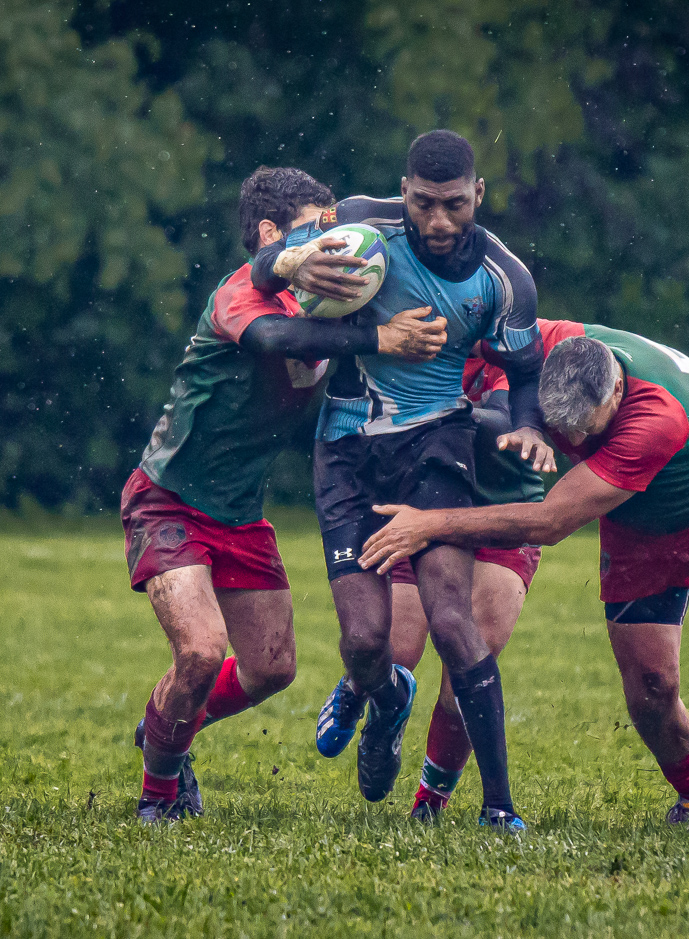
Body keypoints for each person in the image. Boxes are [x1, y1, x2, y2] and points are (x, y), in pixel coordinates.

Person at [359, 321, 689, 827]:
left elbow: (549, 522)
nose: (574, 438)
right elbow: (468, 325)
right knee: (650, 687)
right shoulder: (544, 339)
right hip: (636, 518)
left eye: (586, 425)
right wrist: (384, 332)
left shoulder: (656, 419)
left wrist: (428, 524)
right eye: (563, 425)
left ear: (618, 391)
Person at [123, 167, 446, 823]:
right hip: (169, 501)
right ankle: (161, 789)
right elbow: (275, 338)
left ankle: (168, 725)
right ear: (273, 236)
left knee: (272, 668)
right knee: (202, 653)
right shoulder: (240, 292)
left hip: (241, 515)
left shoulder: (333, 304)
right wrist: (379, 337)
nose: (338, 246)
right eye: (317, 232)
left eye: (338, 231)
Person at [257, 130, 552, 831]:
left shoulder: (506, 281)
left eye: (454, 204)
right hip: (345, 447)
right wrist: (295, 257)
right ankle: (386, 699)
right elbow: (264, 267)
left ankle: (500, 806)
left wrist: (530, 425)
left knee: (453, 619)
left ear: (478, 194)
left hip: (435, 442)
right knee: (365, 643)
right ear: (405, 192)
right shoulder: (362, 222)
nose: (439, 221)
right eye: (424, 203)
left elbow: (528, 372)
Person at [364, 335, 552, 821]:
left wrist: (438, 413)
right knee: (396, 651)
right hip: (430, 501)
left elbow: (503, 421)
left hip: (503, 511)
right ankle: (380, 723)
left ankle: (431, 800)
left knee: (467, 662)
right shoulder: (409, 345)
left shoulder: (502, 350)